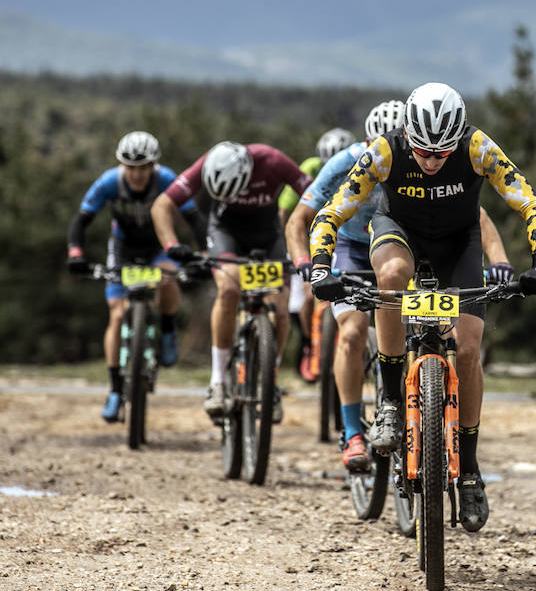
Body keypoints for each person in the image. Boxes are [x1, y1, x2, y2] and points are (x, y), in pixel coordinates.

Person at [307, 82, 536, 532]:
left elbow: (530, 202)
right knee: (392, 278)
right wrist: (321, 268)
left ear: (458, 138)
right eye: (422, 151)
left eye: (442, 154)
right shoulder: (384, 151)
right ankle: (387, 399)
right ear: (407, 135)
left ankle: (472, 470)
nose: (431, 161)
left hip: (459, 245)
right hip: (397, 230)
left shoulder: (478, 148)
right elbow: (331, 212)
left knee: (468, 351)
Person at [285, 100, 516, 472]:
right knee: (352, 331)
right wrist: (308, 265)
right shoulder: (348, 163)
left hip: (401, 243)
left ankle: (423, 394)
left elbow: (478, 217)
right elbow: (301, 219)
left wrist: (500, 262)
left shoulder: (430, 163)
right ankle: (351, 432)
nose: (420, 163)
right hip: (351, 248)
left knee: (430, 317)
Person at [151, 140, 314, 421]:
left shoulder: (272, 160)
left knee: (280, 305)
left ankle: (270, 379)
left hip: (269, 235)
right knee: (229, 289)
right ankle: (218, 382)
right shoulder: (208, 161)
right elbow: (162, 206)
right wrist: (171, 245)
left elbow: (318, 196)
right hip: (226, 234)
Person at [66, 131, 203, 423]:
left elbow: (194, 217)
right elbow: (81, 220)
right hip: (123, 248)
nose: (137, 174)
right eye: (130, 167)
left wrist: (204, 252)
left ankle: (167, 328)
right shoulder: (109, 182)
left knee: (169, 277)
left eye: (143, 167)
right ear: (121, 165)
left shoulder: (166, 179)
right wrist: (76, 253)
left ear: (154, 165)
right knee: (117, 316)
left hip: (158, 246)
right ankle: (115, 389)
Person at [281, 127, 354, 383]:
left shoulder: (359, 165)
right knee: (303, 288)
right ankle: (306, 341)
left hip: (341, 236)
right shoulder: (312, 168)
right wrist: (292, 247)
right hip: (311, 233)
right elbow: (287, 211)